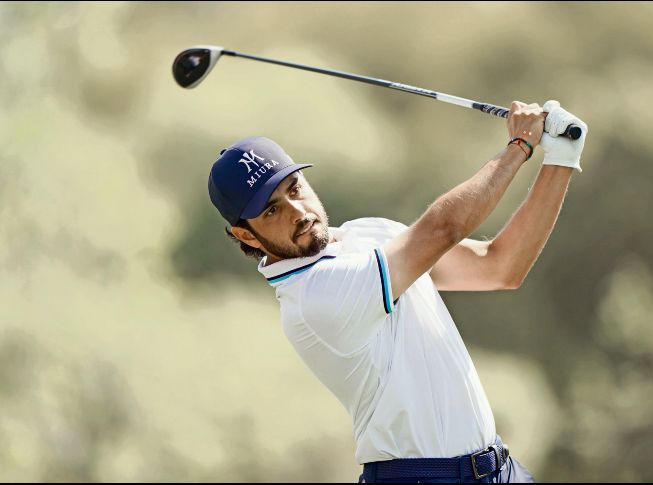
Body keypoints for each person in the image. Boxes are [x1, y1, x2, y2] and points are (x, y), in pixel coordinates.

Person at [207, 100, 588, 483]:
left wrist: (561, 158)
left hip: (500, 469)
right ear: (245, 235)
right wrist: (520, 146)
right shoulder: (312, 297)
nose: (297, 211)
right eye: (272, 211)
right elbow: (442, 228)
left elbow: (499, 266)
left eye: (295, 188)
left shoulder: (369, 232)